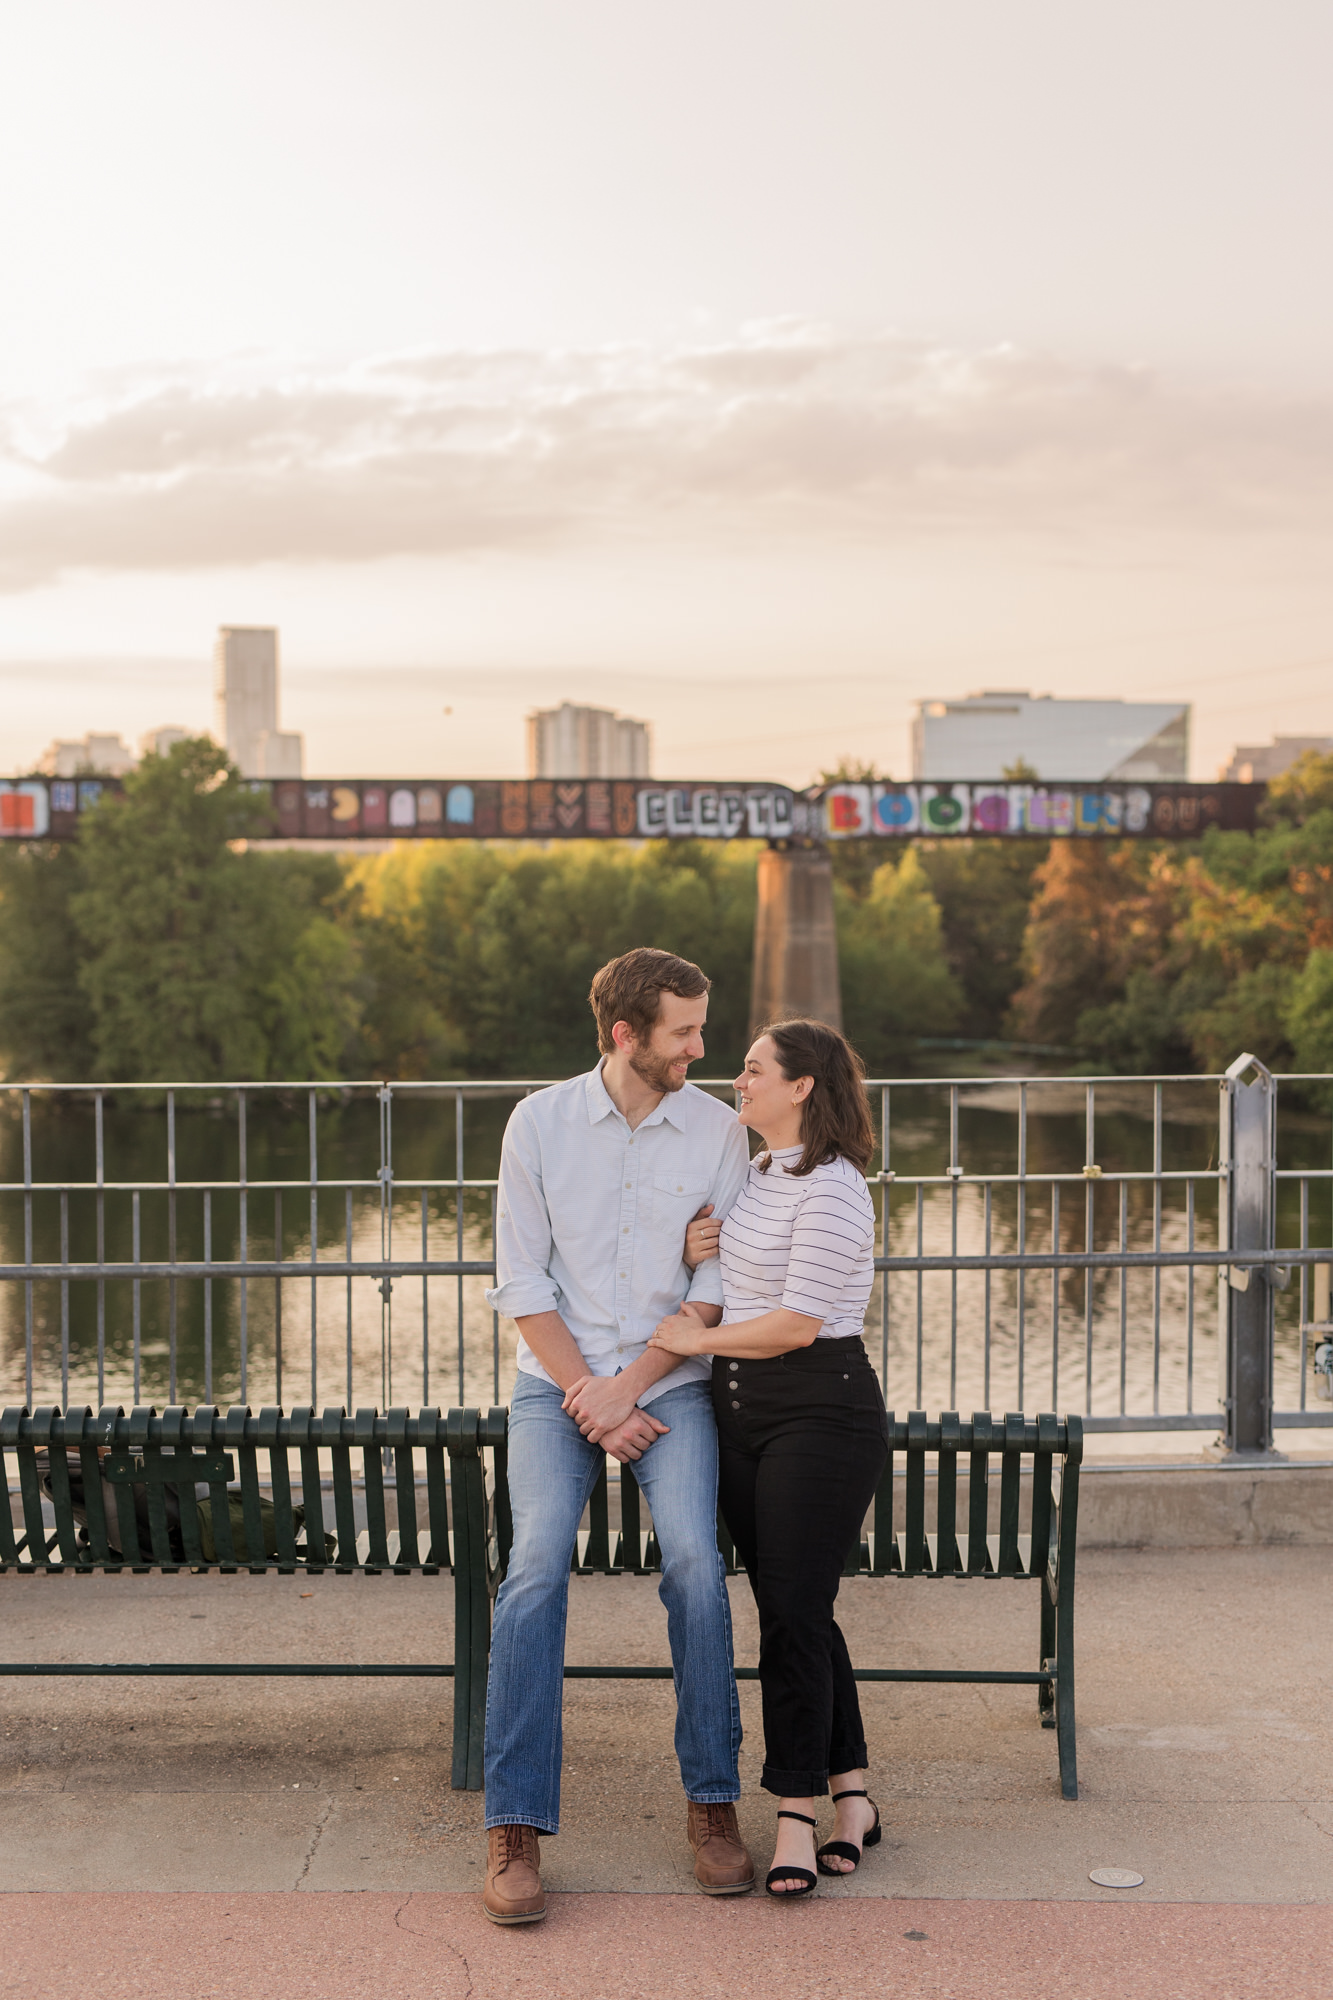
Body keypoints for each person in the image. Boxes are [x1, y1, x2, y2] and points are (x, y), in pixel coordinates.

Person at [479, 947, 754, 1925]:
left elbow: (715, 1288)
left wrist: (628, 1385)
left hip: (668, 1386)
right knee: (537, 1565)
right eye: (684, 1029)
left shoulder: (720, 1129)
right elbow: (522, 1280)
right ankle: (513, 1823)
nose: (701, 1044)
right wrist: (586, 1391)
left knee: (691, 1559)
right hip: (552, 1387)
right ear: (625, 1033)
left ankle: (713, 1802)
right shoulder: (539, 1123)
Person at [650, 1017, 888, 1899]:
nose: (735, 1081)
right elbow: (742, 1288)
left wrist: (689, 1340)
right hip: (743, 1415)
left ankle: (793, 1811)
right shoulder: (756, 1174)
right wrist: (694, 1255)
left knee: (789, 1614)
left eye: (752, 1070)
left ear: (801, 1087)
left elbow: (794, 1324)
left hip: (819, 1413)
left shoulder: (833, 1187)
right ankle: (851, 1795)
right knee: (801, 1609)